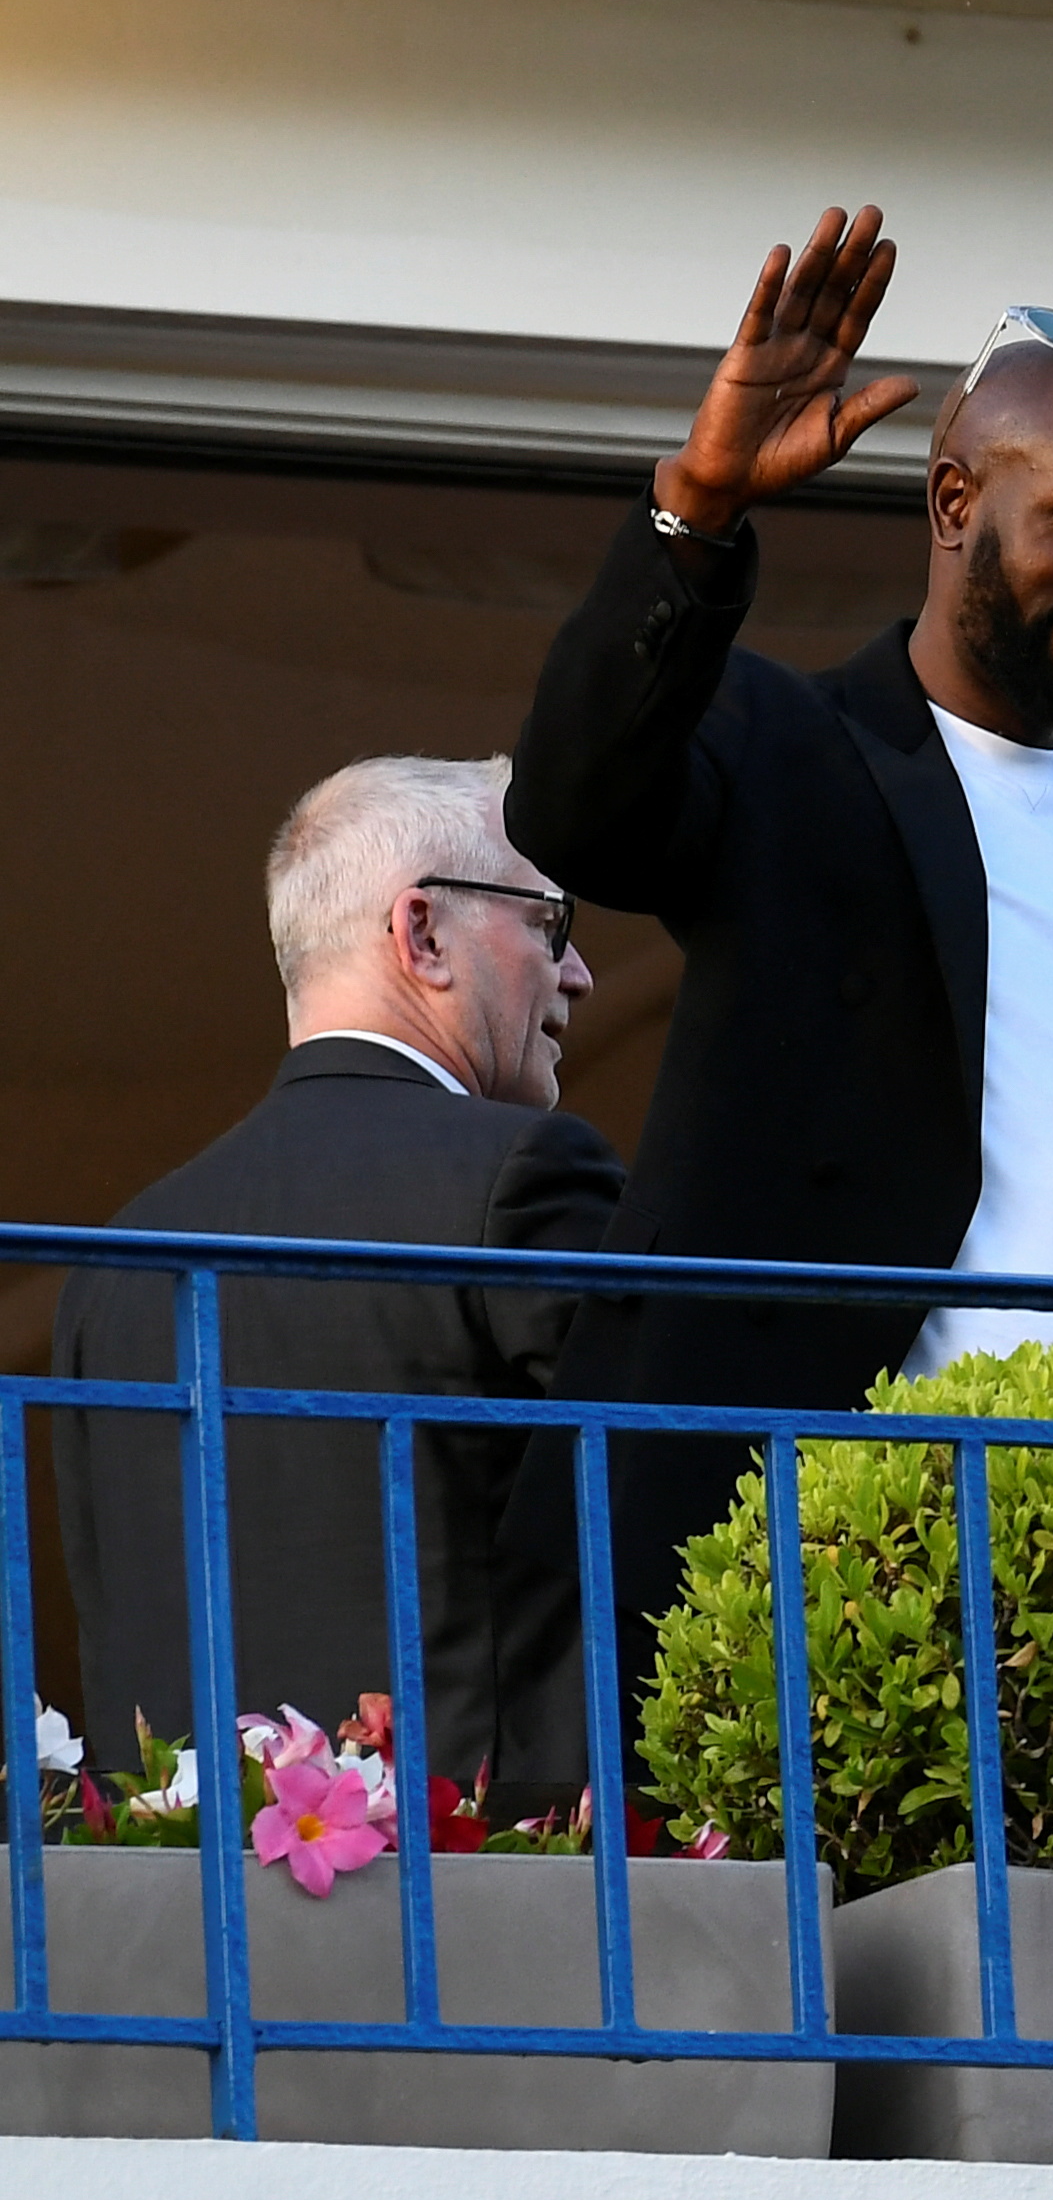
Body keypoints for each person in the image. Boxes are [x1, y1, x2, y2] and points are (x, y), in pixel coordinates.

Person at [502, 208, 1053, 1668]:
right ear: (952, 508)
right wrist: (698, 510)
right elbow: (573, 807)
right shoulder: (783, 741)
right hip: (813, 1552)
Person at [58, 758, 627, 1797]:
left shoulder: (116, 1261)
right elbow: (689, 1486)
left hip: (194, 1900)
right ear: (421, 932)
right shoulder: (520, 1174)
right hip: (481, 1893)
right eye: (551, 922)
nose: (580, 971)